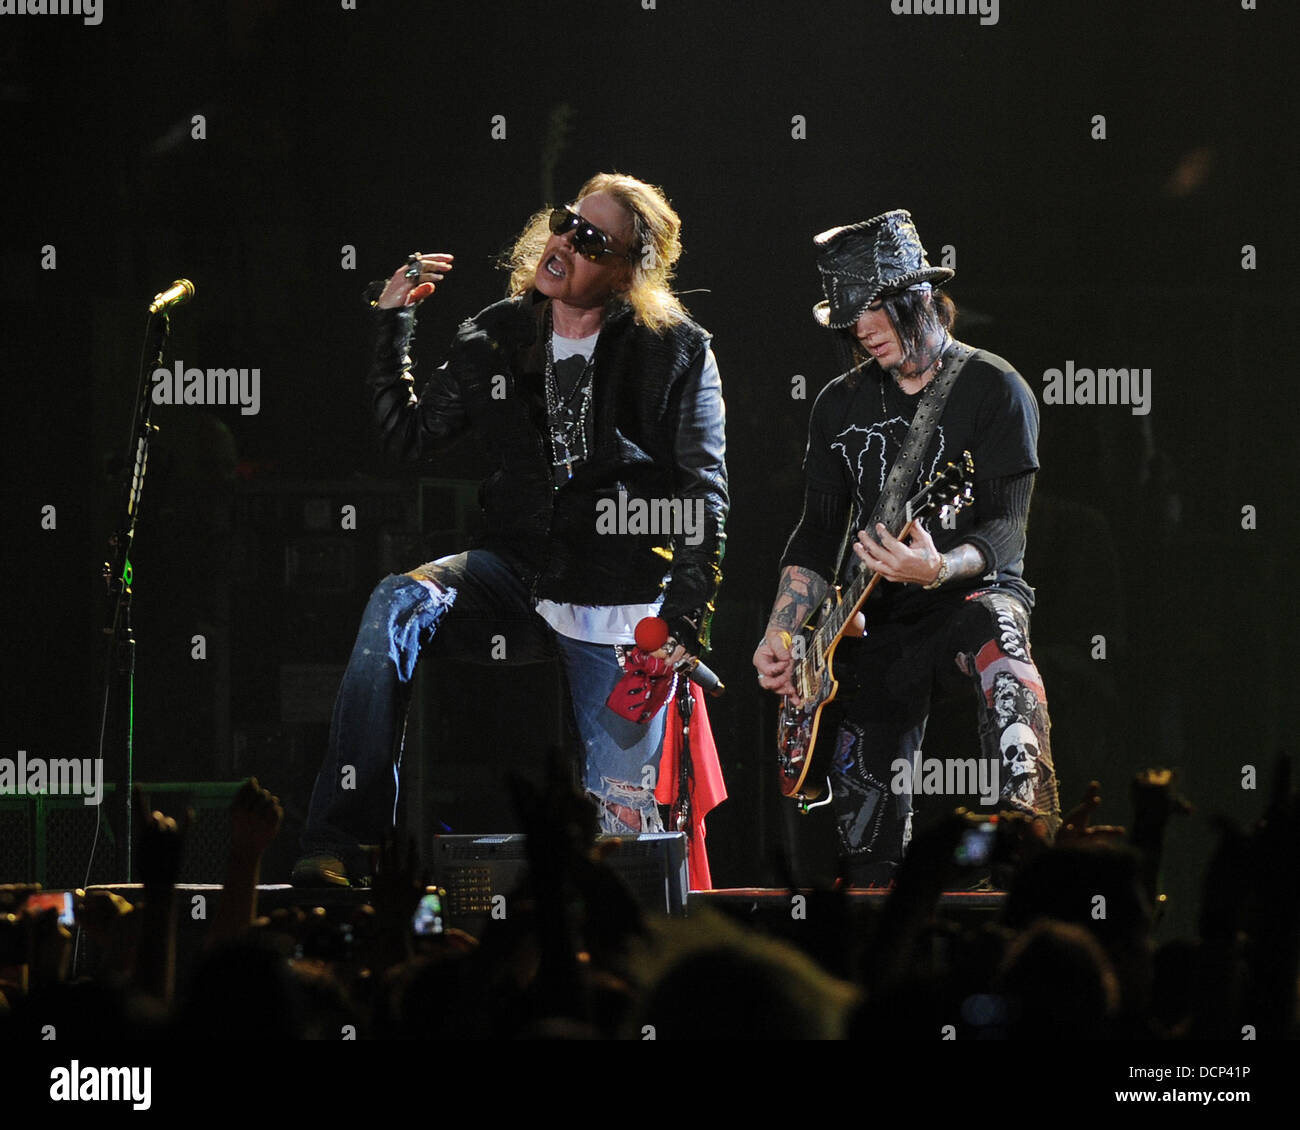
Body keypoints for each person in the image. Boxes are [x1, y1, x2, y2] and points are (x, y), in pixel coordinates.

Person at [292, 173, 727, 887]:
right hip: (515, 575)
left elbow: (704, 493)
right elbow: (409, 435)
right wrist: (391, 322)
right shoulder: (494, 336)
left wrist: (683, 615)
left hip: (613, 597)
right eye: (564, 222)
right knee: (394, 604)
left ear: (627, 269)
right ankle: (342, 844)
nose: (563, 243)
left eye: (589, 240)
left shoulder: (673, 350)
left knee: (629, 839)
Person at [753, 209, 1059, 887]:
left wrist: (939, 566)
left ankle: (1026, 832)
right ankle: (875, 890)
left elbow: (1007, 530)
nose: (859, 329)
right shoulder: (839, 403)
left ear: (917, 297)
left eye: (869, 310)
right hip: (874, 613)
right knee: (867, 829)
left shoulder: (994, 388)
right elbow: (816, 530)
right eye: (848, 317)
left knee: (998, 630)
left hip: (969, 593)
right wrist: (783, 628)